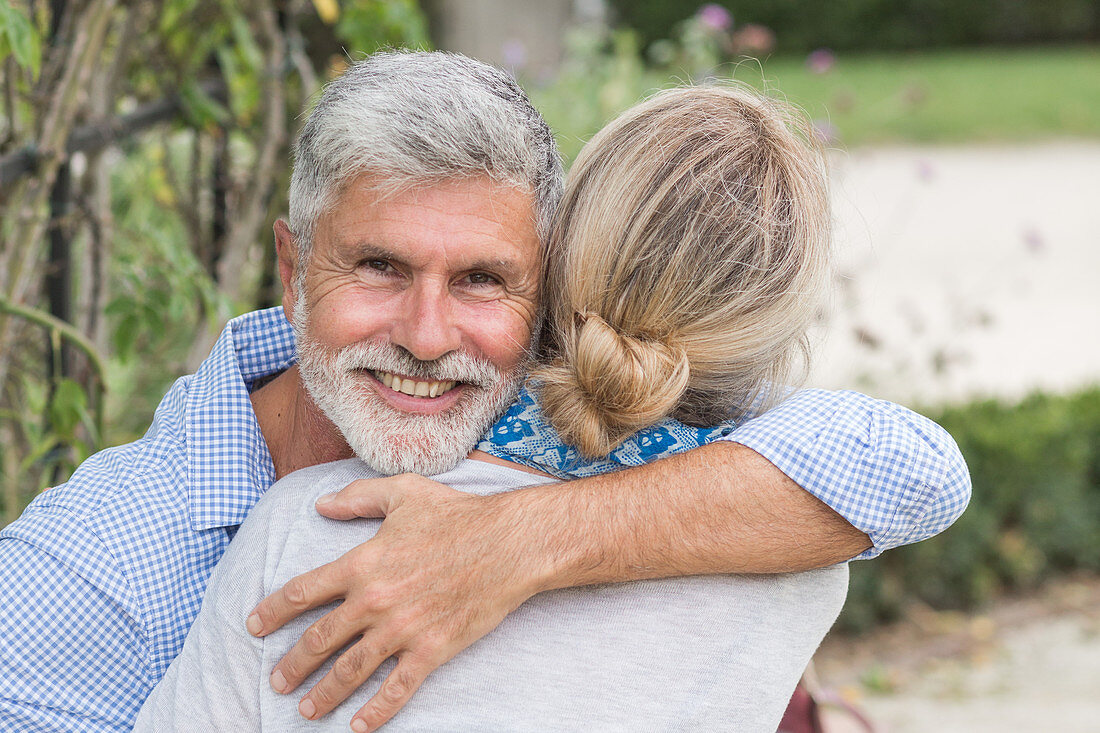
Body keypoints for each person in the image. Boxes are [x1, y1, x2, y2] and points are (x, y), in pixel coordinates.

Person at [0, 52, 968, 732]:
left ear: (552, 293)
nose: (427, 337)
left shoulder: (562, 409)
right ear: (290, 271)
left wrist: (509, 548)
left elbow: (903, 466)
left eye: (481, 281)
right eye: (377, 266)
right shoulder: (77, 580)